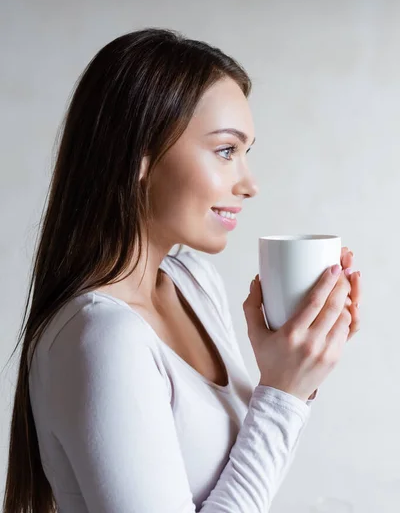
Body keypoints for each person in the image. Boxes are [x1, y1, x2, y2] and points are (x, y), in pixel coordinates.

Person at [2, 28, 361, 513]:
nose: (249, 184)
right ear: (139, 158)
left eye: (246, 152)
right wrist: (283, 395)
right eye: (226, 151)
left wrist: (298, 371)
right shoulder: (102, 335)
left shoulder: (193, 282)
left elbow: (250, 471)